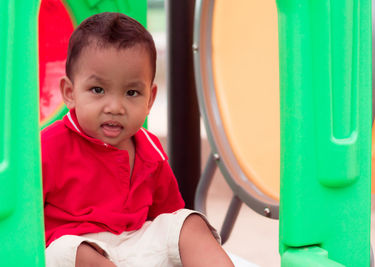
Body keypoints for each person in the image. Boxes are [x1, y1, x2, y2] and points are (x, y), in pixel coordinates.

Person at [41, 12, 233, 267]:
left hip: (136, 246)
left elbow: (167, 216)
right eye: (98, 90)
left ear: (150, 99)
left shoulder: (149, 150)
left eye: (131, 92)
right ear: (70, 93)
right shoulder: (49, 146)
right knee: (65, 252)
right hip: (77, 246)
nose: (115, 106)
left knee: (188, 223)